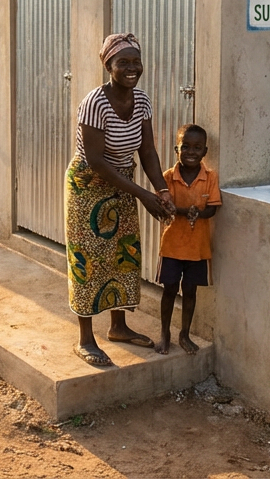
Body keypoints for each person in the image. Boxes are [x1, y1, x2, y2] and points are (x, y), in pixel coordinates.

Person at [66, 33, 176, 367]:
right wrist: (142, 194)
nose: (132, 68)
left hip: (122, 183)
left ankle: (118, 327)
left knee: (123, 254)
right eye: (123, 62)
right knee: (88, 260)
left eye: (136, 62)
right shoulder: (95, 103)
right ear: (108, 66)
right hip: (88, 185)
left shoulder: (141, 101)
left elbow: (147, 151)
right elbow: (96, 161)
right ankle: (86, 339)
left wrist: (162, 191)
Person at [155, 124, 221, 356]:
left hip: (197, 248)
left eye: (197, 148)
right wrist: (186, 211)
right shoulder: (167, 178)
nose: (191, 152)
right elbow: (164, 208)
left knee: (190, 291)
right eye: (186, 147)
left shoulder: (210, 177)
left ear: (205, 151)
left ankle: (185, 334)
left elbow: (212, 209)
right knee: (169, 290)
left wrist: (198, 213)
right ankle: (165, 333)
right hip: (172, 246)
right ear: (177, 149)